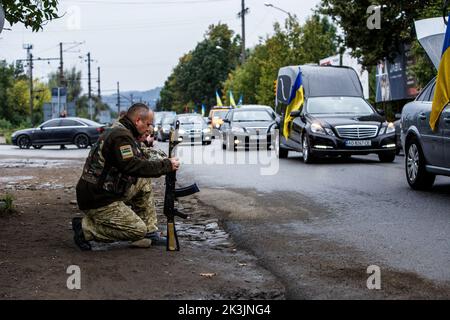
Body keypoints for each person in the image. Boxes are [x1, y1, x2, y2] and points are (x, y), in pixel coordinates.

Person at [73, 103, 180, 250]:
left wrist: (162, 160)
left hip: (107, 191)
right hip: (98, 198)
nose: (150, 129)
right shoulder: (121, 136)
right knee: (137, 230)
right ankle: (85, 229)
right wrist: (166, 166)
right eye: (148, 124)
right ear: (138, 121)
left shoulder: (124, 132)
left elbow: (141, 158)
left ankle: (149, 233)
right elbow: (131, 165)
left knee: (143, 182)